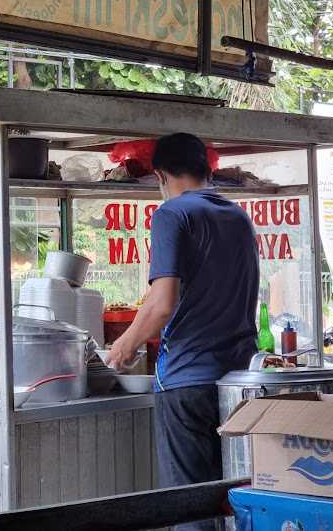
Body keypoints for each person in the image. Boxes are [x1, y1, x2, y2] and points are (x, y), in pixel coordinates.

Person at [106, 133, 259, 531]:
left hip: (187, 382)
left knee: (190, 508)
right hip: (237, 384)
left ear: (161, 175)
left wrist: (121, 348)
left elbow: (161, 304)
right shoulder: (238, 216)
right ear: (207, 169)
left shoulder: (173, 214)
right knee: (230, 502)